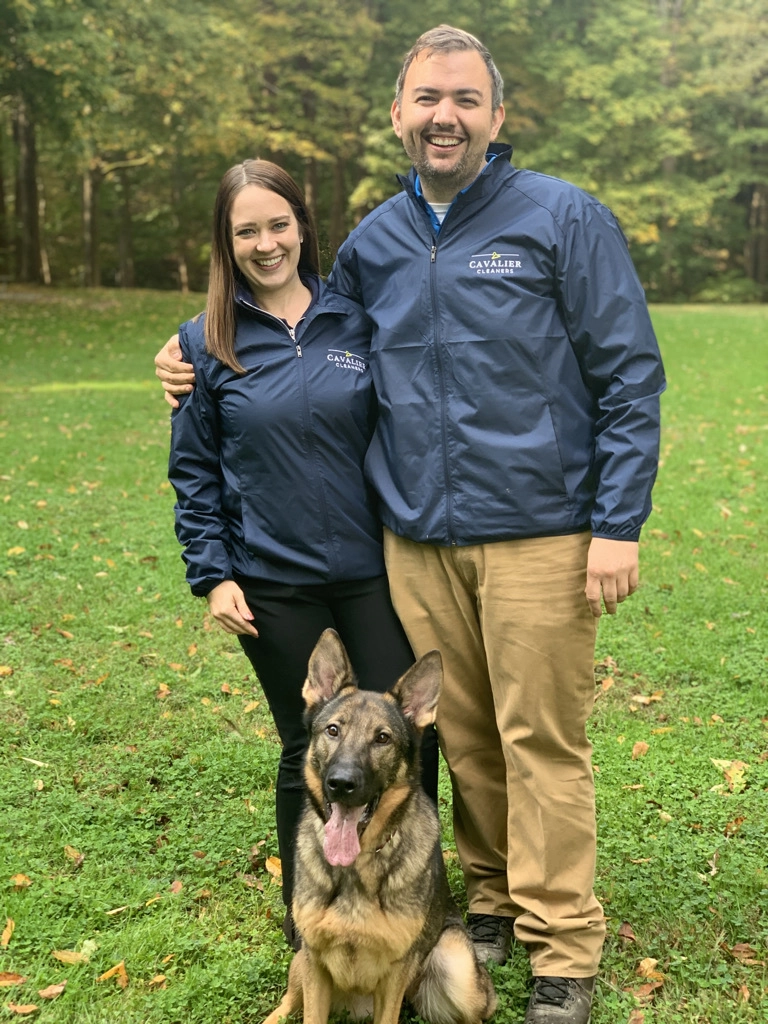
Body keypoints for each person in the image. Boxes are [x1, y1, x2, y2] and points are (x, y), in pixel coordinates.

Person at [157, 27, 665, 1024]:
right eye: (427, 98)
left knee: (539, 740)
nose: (445, 115)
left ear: (497, 116)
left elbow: (629, 375)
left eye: (466, 99)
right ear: (398, 113)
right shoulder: (377, 242)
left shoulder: (563, 218)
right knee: (462, 737)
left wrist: (618, 520)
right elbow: (293, 326)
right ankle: (484, 901)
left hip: (541, 529)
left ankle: (561, 946)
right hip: (417, 542)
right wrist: (185, 361)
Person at [166, 158, 438, 952]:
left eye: (277, 224)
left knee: (404, 742)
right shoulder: (203, 344)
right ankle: (309, 928)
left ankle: (412, 914)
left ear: (302, 226)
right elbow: (195, 474)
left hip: (372, 570)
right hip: (274, 582)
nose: (265, 242)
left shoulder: (354, 317)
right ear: (227, 241)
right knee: (309, 747)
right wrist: (213, 573)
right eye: (245, 230)